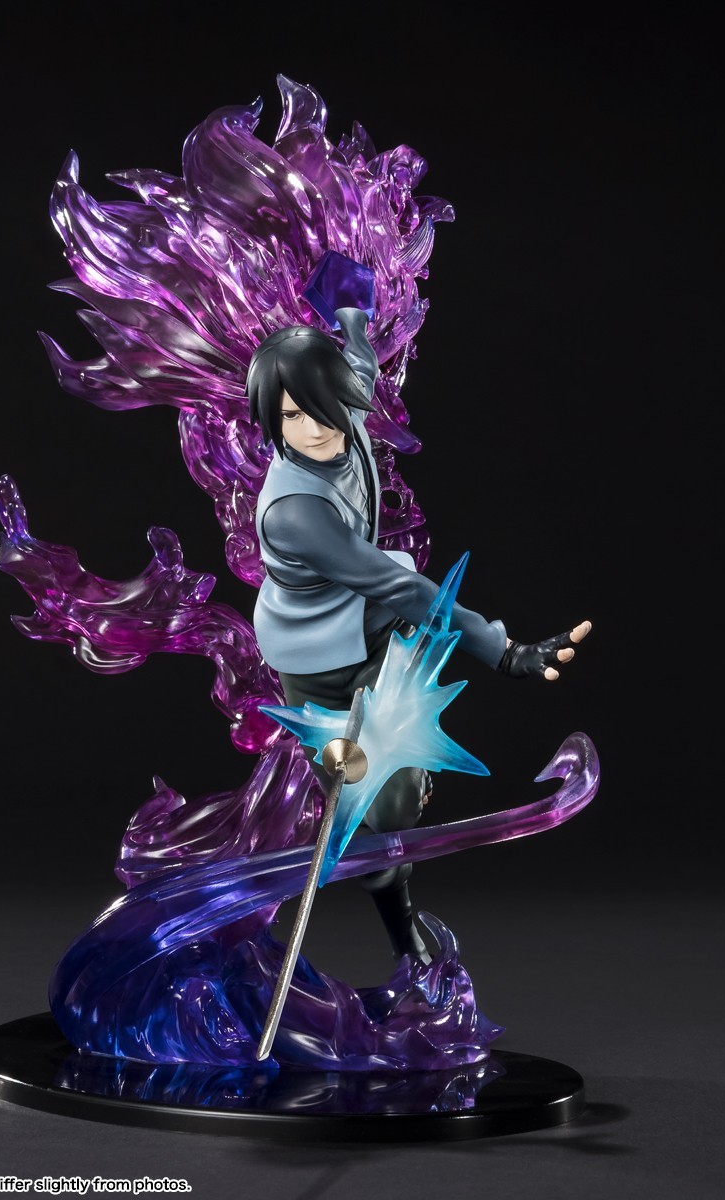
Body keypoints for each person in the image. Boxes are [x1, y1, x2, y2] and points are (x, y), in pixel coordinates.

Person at [247, 305, 591, 965]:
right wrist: (504, 651)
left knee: (397, 801)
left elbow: (361, 366)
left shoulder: (345, 409)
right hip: (317, 670)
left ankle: (406, 797)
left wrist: (352, 317)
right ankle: (403, 937)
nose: (312, 429)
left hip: (380, 637)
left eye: (321, 408)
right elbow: (399, 587)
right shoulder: (294, 513)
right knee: (366, 815)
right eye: (291, 416)